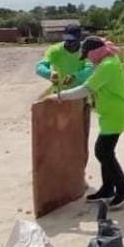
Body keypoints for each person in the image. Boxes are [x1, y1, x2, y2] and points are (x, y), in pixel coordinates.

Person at [48, 36, 124, 209]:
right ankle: (108, 189)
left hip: (115, 113)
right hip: (109, 113)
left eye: (88, 55)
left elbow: (86, 89)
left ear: (96, 52)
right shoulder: (108, 60)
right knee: (106, 151)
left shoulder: (107, 66)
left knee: (102, 151)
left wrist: (59, 96)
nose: (87, 59)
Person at [35, 24, 94, 171]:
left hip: (80, 100)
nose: (69, 44)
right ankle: (60, 174)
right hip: (59, 100)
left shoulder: (85, 50)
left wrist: (76, 77)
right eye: (67, 40)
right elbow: (40, 67)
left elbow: (90, 69)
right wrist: (50, 73)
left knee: (80, 140)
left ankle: (79, 174)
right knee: (58, 139)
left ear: (79, 39)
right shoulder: (55, 50)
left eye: (72, 41)